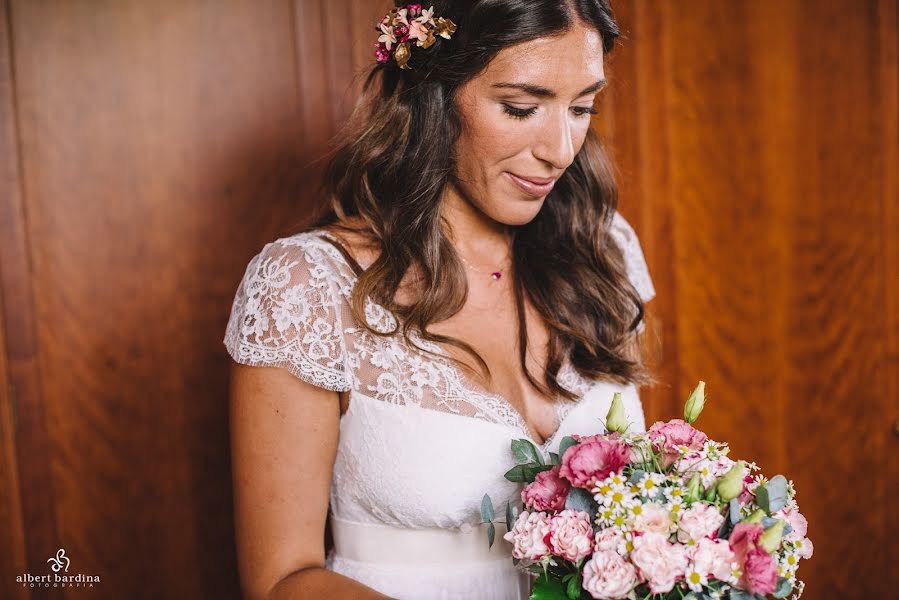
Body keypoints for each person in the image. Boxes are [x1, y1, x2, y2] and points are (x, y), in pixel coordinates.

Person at [223, 1, 658, 598]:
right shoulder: (305, 285)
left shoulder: (601, 249)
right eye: (521, 108)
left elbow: (646, 504)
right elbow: (281, 580)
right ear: (434, 96)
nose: (561, 149)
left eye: (582, 108)